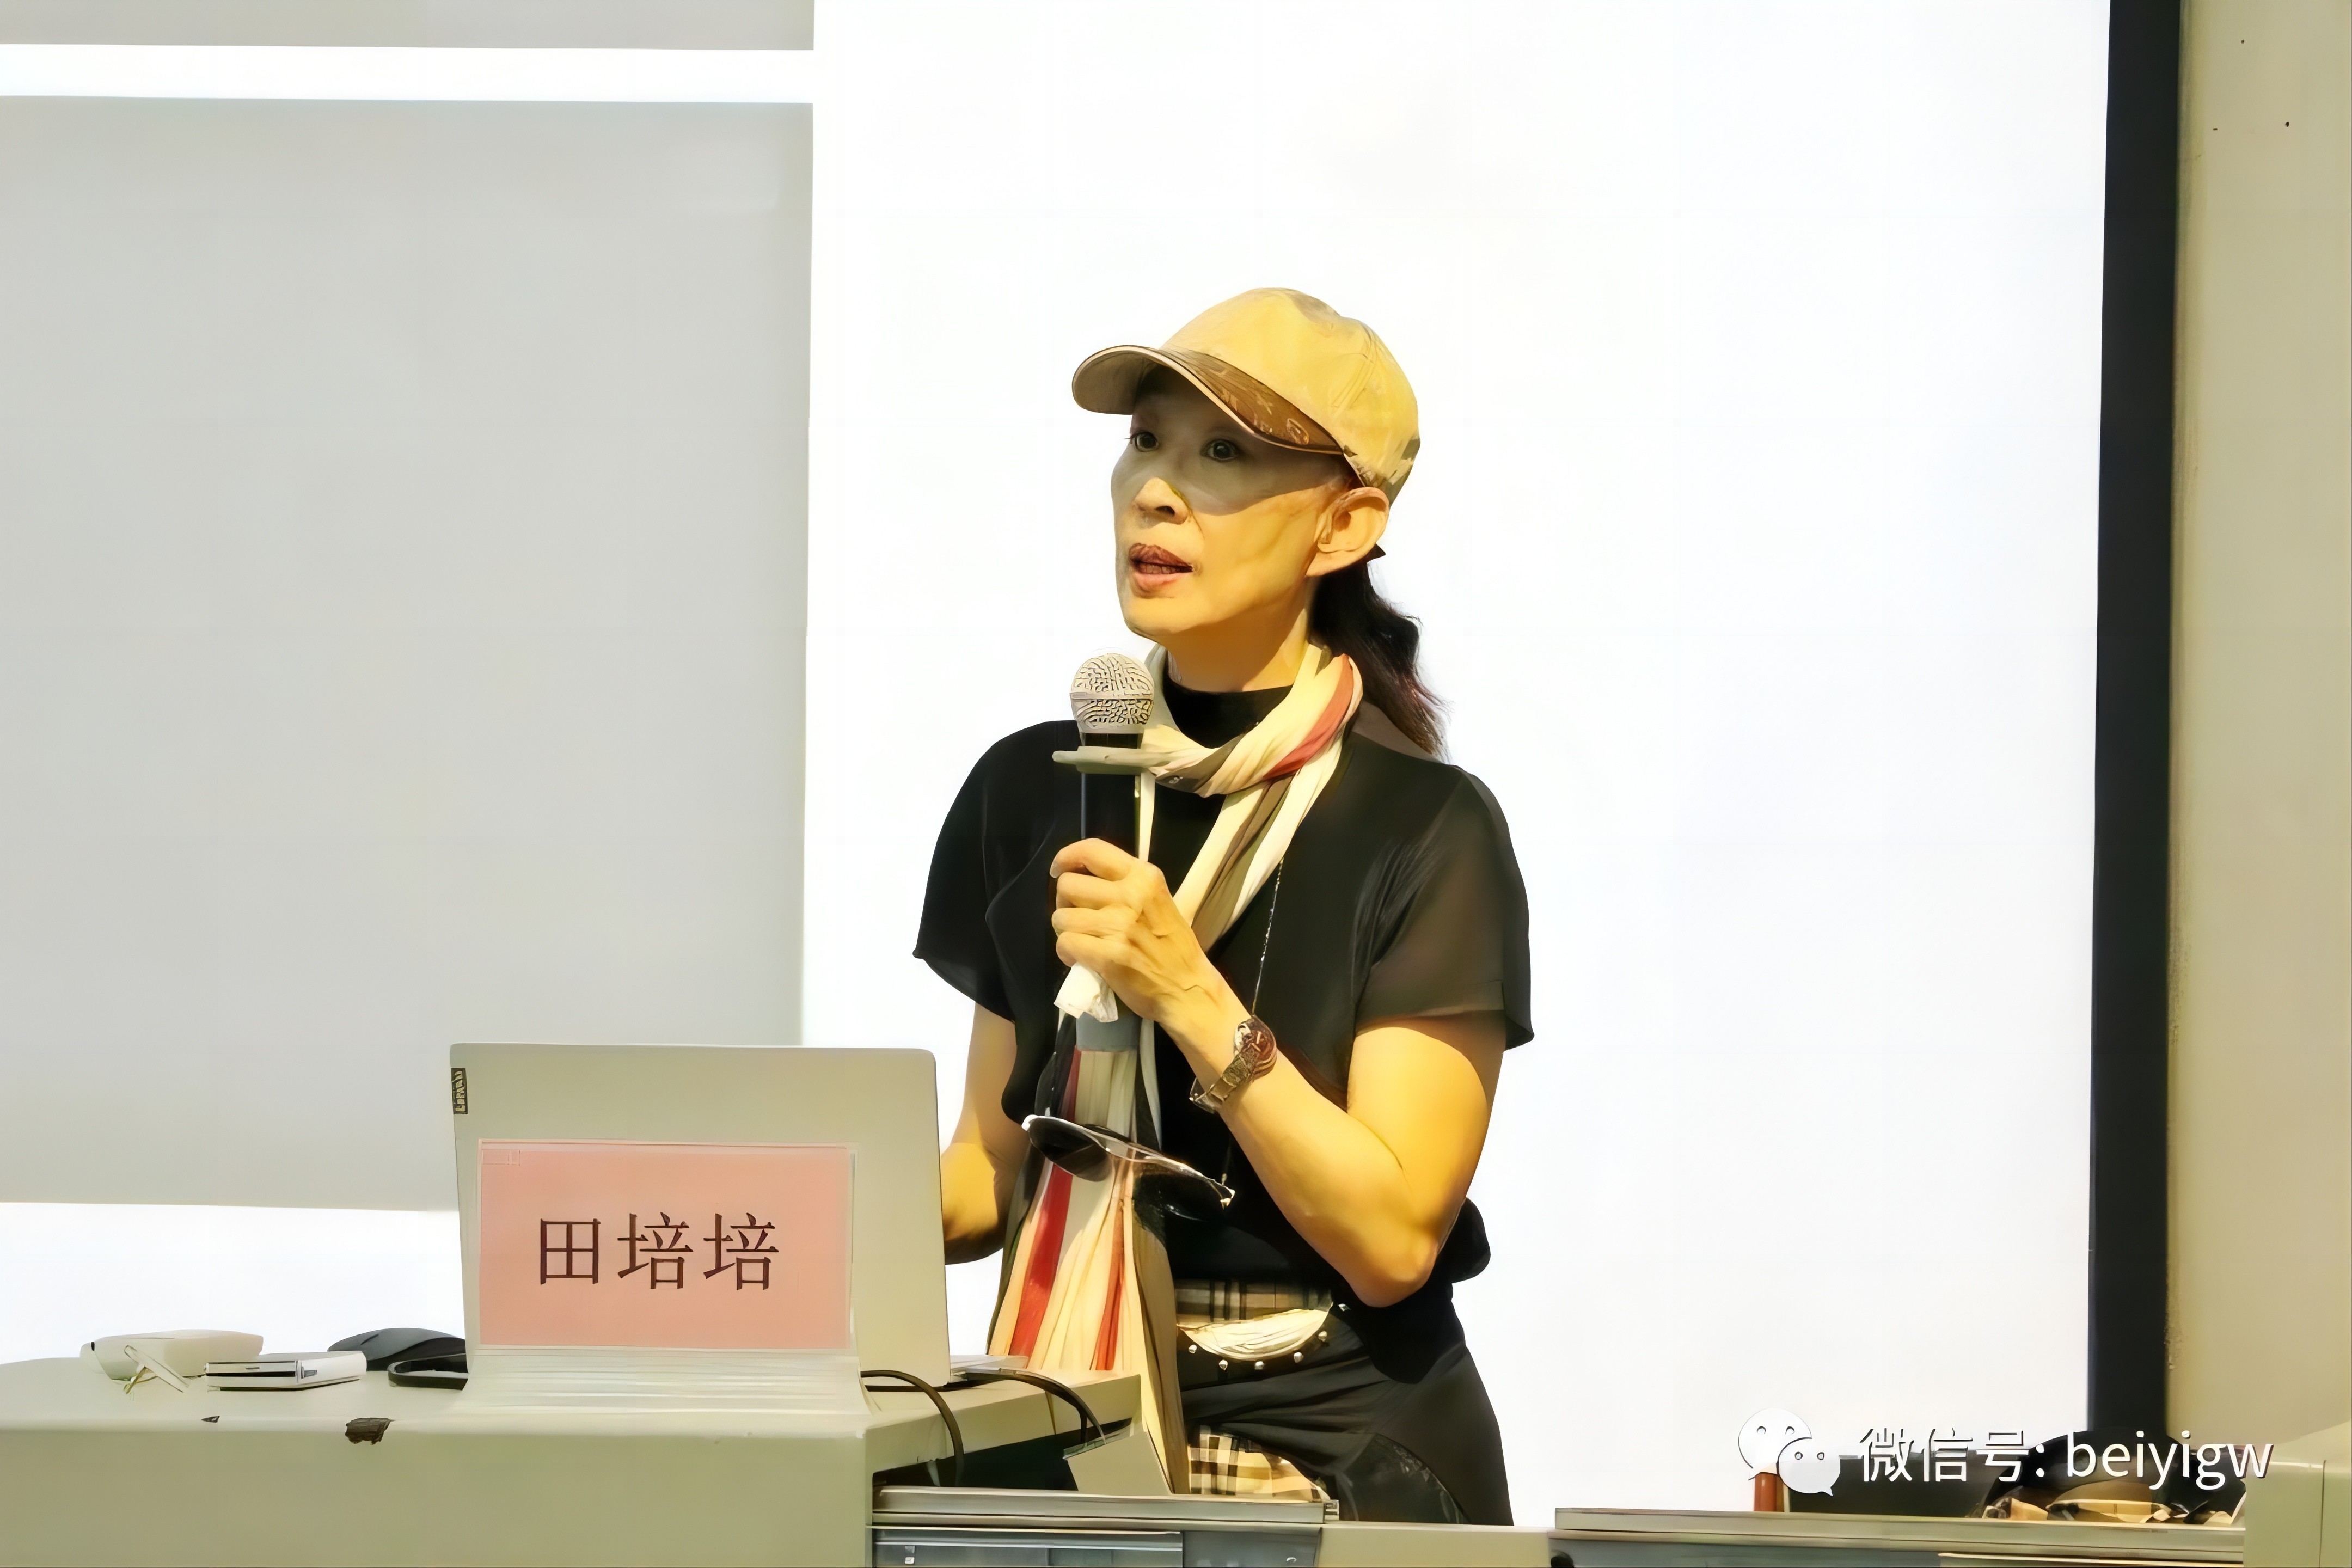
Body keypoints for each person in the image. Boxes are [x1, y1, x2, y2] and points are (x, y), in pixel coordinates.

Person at [921, 288, 1531, 1524]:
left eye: (1222, 455)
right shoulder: (1031, 787)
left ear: (1344, 525)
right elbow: (987, 1180)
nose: (1156, 491)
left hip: (1328, 1457)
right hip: (1065, 1420)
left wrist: (1188, 994)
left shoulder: (1426, 826)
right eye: (1145, 441)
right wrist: (761, 1215)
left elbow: (1391, 1241)